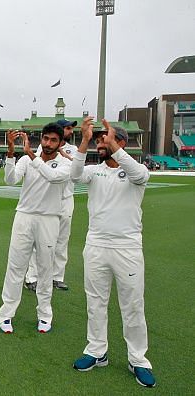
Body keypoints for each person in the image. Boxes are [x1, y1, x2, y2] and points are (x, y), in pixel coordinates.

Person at [71, 118, 156, 388]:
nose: (100, 143)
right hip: (96, 245)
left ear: (121, 142)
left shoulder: (136, 171)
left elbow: (140, 176)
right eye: (98, 140)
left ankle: (138, 359)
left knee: (132, 305)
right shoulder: (94, 171)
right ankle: (97, 351)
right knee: (95, 301)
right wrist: (84, 140)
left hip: (127, 247)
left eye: (104, 138)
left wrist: (115, 147)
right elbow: (74, 176)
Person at [0, 123, 71, 334]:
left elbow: (52, 177)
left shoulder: (64, 164)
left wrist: (31, 153)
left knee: (45, 268)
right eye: (45, 139)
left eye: (53, 140)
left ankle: (45, 315)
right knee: (16, 266)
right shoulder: (26, 160)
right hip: (24, 217)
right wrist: (11, 153)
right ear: (41, 138)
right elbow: (10, 180)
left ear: (60, 142)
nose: (48, 144)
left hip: (49, 219)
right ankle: (6, 314)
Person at [25, 118, 78, 292]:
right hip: (46, 199)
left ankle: (57, 277)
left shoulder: (74, 149)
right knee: (38, 241)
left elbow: (77, 169)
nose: (71, 132)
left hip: (66, 198)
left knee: (62, 239)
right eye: (68, 128)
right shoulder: (44, 147)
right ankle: (32, 277)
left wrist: (64, 154)